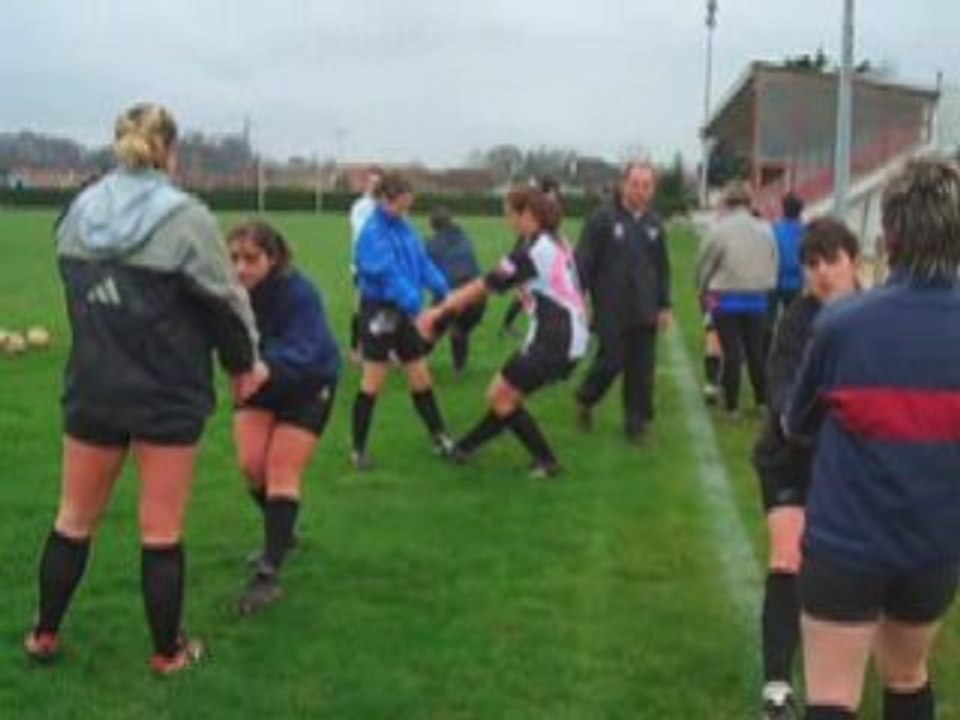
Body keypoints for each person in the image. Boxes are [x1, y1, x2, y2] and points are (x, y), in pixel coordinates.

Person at [23, 103, 263, 673]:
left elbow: (78, 290)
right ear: (170, 151)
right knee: (161, 528)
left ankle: (43, 636)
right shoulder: (187, 218)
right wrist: (244, 364)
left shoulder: (77, 208)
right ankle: (167, 654)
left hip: (94, 385)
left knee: (72, 518)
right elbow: (226, 305)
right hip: (167, 393)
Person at [786, 159, 960, 719]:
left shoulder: (843, 325)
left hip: (846, 545)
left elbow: (796, 423)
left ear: (887, 237)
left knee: (833, 697)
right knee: (907, 677)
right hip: (933, 546)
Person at [752, 219, 861, 719]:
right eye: (811, 265)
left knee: (853, 566)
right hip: (789, 454)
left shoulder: (876, 314)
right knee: (788, 556)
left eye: (831, 261)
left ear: (854, 261)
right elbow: (782, 393)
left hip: (852, 461)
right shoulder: (798, 320)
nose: (821, 274)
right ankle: (777, 685)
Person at [418, 186, 588, 477]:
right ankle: (465, 449)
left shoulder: (535, 250)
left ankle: (547, 461)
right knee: (504, 395)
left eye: (508, 212)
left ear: (527, 215)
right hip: (565, 336)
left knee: (501, 396)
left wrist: (439, 310)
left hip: (556, 339)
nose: (506, 219)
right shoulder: (550, 241)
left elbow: (486, 284)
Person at [227, 221, 340, 614]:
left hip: (308, 383)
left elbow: (308, 348)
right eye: (234, 259)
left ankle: (268, 573)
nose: (241, 268)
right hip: (259, 384)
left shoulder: (299, 293)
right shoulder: (228, 294)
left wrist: (266, 366)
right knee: (251, 466)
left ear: (272, 259)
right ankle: (283, 531)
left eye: (251, 259)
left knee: (281, 470)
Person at [351, 172, 452, 469]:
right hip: (381, 311)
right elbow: (386, 274)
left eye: (408, 206)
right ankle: (358, 450)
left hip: (403, 309)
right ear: (384, 199)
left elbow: (421, 262)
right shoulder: (372, 233)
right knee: (373, 381)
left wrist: (443, 289)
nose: (404, 212)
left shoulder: (405, 228)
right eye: (400, 205)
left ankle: (440, 437)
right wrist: (416, 305)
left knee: (420, 375)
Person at [575, 162, 673, 441]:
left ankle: (637, 423)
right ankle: (586, 398)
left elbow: (662, 267)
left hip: (645, 308)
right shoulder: (602, 219)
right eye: (635, 184)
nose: (640, 190)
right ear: (623, 184)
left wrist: (664, 304)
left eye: (646, 185)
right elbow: (584, 260)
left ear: (652, 189)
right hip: (610, 308)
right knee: (611, 361)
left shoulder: (654, 223)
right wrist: (581, 296)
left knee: (642, 369)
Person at [696, 181, 778, 418]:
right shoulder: (765, 229)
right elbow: (774, 261)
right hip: (758, 299)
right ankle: (762, 401)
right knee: (756, 353)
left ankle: (732, 406)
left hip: (726, 299)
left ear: (727, 203)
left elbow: (705, 264)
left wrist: (702, 290)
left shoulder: (719, 230)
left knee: (732, 353)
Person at [425, 206, 485, 374]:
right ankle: (460, 368)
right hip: (478, 295)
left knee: (430, 328)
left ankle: (413, 362)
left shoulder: (432, 245)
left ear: (433, 226)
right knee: (459, 330)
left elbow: (424, 271)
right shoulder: (465, 237)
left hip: (452, 294)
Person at [347, 166, 384, 361]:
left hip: (387, 266)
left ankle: (384, 349)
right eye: (372, 183)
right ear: (366, 184)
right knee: (362, 306)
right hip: (363, 266)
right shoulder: (360, 207)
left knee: (389, 308)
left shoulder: (387, 205)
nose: (374, 186)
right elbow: (364, 233)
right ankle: (356, 349)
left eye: (378, 183)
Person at [765, 192, 806, 356]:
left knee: (769, 320)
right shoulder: (805, 231)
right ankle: (792, 351)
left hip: (774, 280)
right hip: (797, 282)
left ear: (783, 209)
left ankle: (766, 353)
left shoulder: (774, 229)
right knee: (794, 320)